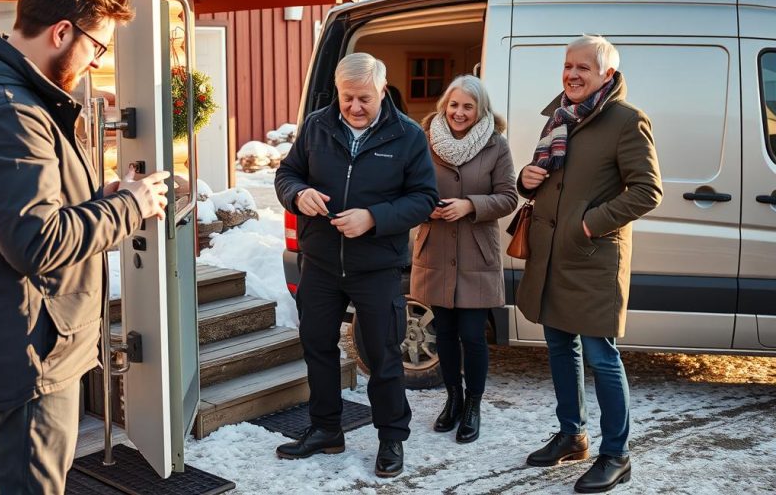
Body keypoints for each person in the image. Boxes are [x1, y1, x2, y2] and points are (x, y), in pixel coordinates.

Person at [0, 0, 170, 495]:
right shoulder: (7, 112)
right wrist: (130, 206)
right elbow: (37, 241)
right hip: (24, 356)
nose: (94, 62)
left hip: (23, 342)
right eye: (96, 47)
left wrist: (98, 199)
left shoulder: (13, 98)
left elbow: (29, 214)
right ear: (61, 32)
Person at [274, 52, 438, 478]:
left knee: (383, 355)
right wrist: (298, 194)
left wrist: (374, 218)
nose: (355, 107)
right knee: (318, 348)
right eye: (348, 97)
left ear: (382, 91)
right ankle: (326, 429)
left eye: (364, 98)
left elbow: (423, 199)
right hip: (321, 264)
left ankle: (391, 440)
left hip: (378, 267)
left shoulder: (407, 136)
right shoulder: (316, 125)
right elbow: (287, 174)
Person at [516, 35, 662, 493]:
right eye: (568, 65)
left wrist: (588, 223)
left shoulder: (627, 120)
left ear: (607, 75)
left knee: (602, 356)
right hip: (553, 255)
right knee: (560, 347)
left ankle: (616, 454)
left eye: (584, 68)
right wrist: (525, 179)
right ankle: (572, 435)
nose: (573, 74)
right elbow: (550, 182)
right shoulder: (559, 116)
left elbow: (647, 191)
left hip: (592, 257)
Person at [410, 75, 517, 444]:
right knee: (445, 334)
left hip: (475, 252)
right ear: (444, 106)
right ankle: (452, 399)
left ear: (480, 110)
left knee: (473, 335)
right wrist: (429, 209)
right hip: (436, 250)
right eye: (454, 105)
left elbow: (508, 197)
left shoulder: (496, 145)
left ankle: (473, 404)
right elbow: (408, 191)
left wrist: (470, 205)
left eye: (468, 106)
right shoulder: (423, 142)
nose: (459, 112)